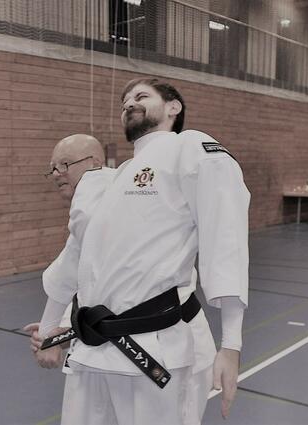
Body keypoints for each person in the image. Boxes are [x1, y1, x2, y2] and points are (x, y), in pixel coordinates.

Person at [38, 77, 250, 425]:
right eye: (124, 101)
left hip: (156, 349)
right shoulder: (111, 179)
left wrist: (231, 344)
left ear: (173, 107)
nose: (129, 103)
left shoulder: (190, 148)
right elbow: (83, 263)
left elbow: (226, 238)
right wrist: (55, 328)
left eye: (141, 96)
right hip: (93, 352)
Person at [25, 133, 217, 424]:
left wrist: (52, 331)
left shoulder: (127, 198)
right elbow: (87, 277)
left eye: (64, 164)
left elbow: (94, 276)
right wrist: (57, 330)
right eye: (52, 168)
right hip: (108, 348)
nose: (56, 174)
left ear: (94, 163)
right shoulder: (92, 206)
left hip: (164, 342)